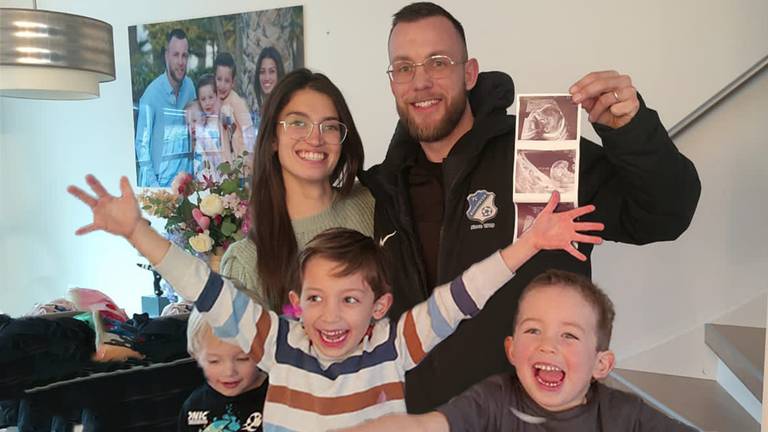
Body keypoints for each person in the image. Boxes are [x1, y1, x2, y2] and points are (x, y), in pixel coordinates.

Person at [359, 2, 702, 412]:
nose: (420, 82)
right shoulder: (384, 189)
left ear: (469, 73)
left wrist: (632, 131)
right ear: (392, 81)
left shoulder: (539, 150)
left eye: (438, 62)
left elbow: (664, 214)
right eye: (404, 67)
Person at [67, 169, 603, 430]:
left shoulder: (395, 344)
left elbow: (464, 296)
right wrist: (139, 234)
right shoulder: (276, 340)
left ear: (379, 306)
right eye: (318, 298)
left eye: (350, 300)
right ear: (297, 302)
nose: (330, 314)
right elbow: (205, 289)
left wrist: (530, 241)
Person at [338, 270, 696, 432]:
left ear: (601, 364)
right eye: (533, 330)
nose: (547, 345)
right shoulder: (493, 400)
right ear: (511, 349)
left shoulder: (625, 415)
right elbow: (428, 426)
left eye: (568, 335)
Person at [220, 69, 373, 312]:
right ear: (272, 139)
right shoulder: (246, 262)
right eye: (298, 123)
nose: (315, 139)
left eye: (330, 126)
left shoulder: (373, 203)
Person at [178, 309, 267, 431]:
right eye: (214, 361)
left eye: (242, 359)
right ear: (196, 357)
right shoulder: (194, 406)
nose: (229, 371)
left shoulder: (279, 399)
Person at [135, 28, 197, 187]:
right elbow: (141, 146)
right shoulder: (150, 96)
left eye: (184, 55)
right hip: (160, 186)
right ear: (166, 56)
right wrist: (156, 189)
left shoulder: (190, 87)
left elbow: (194, 134)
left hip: (187, 186)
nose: (181, 61)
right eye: (176, 55)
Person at [214, 52, 256, 163]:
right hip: (225, 160)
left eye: (227, 81)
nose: (222, 85)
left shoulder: (236, 102)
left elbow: (248, 128)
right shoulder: (214, 100)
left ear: (233, 82)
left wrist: (250, 155)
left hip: (241, 162)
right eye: (219, 79)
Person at [188, 74, 225, 182]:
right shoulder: (202, 123)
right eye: (203, 99)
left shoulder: (218, 125)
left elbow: (217, 158)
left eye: (211, 97)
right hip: (201, 179)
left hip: (213, 180)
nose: (207, 103)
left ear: (217, 96)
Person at [252, 46, 286, 131]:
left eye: (272, 71)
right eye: (262, 72)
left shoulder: (285, 108)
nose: (267, 77)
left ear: (279, 74)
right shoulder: (260, 110)